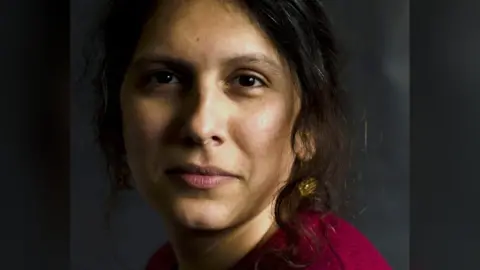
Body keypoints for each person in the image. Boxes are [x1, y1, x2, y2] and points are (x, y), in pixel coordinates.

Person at [94, 0, 392, 269]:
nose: (201, 126)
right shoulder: (167, 263)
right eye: (164, 78)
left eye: (248, 81)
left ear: (308, 127)